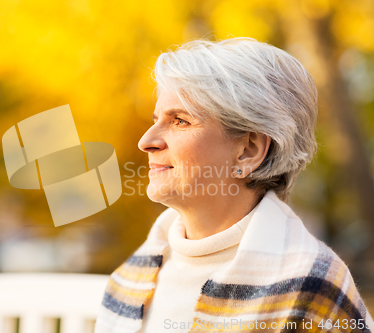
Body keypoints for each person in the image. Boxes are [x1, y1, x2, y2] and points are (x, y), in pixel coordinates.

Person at [94, 37, 374, 332]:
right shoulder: (130, 278)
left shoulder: (312, 286)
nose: (146, 141)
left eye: (179, 121)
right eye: (156, 119)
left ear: (249, 151)